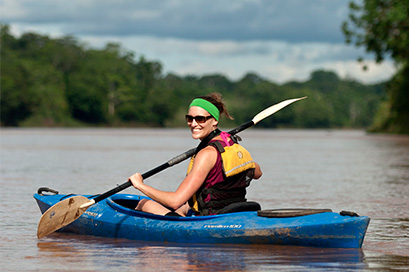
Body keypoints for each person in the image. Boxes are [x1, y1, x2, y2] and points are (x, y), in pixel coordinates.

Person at [128, 92, 262, 216]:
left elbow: (174, 201)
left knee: (144, 204)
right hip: (235, 212)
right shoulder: (233, 146)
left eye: (200, 119)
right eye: (189, 118)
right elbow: (257, 172)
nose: (193, 124)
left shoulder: (206, 154)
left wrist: (140, 185)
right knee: (185, 206)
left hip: (211, 220)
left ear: (214, 120)